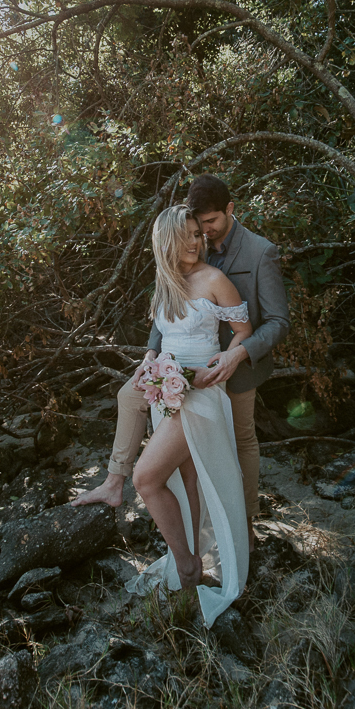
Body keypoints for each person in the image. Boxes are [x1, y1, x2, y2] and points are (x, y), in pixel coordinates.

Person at [72, 174, 291, 552]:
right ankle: (122, 485)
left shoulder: (260, 252)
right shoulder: (183, 258)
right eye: (197, 226)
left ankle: (246, 525)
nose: (203, 234)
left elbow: (277, 322)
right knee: (134, 400)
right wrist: (150, 355)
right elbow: (169, 315)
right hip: (182, 365)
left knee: (240, 443)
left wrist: (236, 353)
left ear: (230, 211)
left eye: (210, 224)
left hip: (235, 364)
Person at [118, 204, 253, 626]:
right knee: (187, 480)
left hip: (200, 394)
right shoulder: (166, 285)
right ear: (167, 241)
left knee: (145, 478)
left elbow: (243, 331)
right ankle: (191, 561)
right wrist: (150, 360)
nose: (197, 241)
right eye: (188, 235)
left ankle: (187, 564)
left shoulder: (214, 279)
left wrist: (220, 364)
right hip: (167, 390)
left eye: (199, 233)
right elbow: (163, 334)